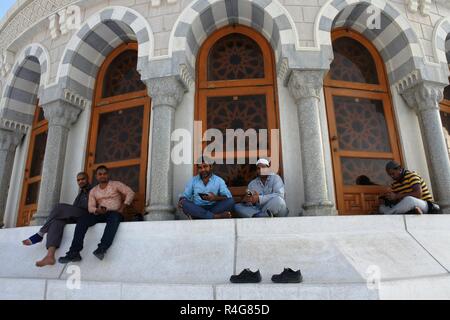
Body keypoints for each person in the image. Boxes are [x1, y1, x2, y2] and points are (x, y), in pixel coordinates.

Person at [58, 165, 135, 262]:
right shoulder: (94, 190)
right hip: (100, 213)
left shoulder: (116, 184)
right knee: (83, 220)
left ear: (108, 175)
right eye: (100, 174)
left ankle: (102, 248)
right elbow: (90, 207)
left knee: (114, 218)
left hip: (115, 213)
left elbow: (130, 192)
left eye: (104, 174)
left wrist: (122, 207)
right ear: (96, 176)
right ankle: (74, 252)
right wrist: (97, 210)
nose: (102, 176)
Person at [22, 172, 92, 267]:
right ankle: (50, 256)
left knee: (59, 207)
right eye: (78, 180)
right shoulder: (80, 193)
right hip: (77, 217)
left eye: (83, 179)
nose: (80, 181)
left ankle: (40, 234)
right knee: (56, 221)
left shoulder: (93, 190)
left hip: (87, 215)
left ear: (88, 179)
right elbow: (74, 208)